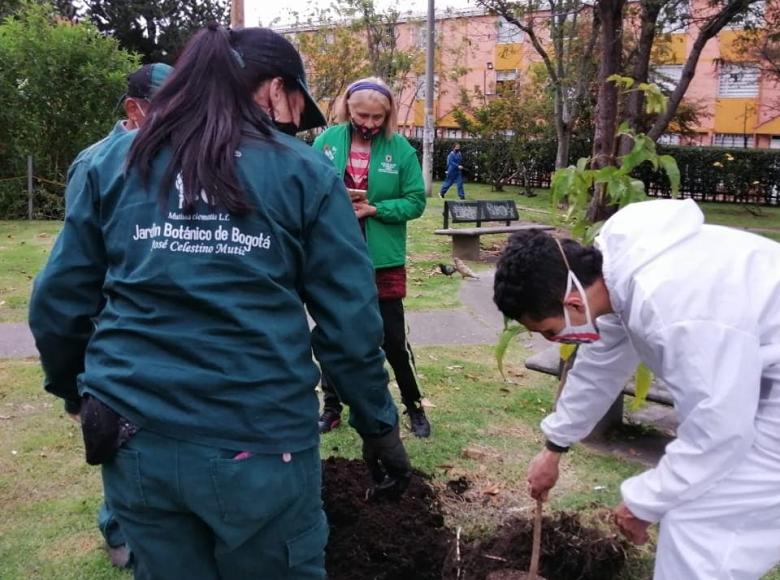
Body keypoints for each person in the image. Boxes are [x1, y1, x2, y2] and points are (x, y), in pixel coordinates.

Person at [29, 25, 411, 580]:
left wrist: (74, 391)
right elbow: (349, 325)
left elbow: (58, 302)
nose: (291, 128)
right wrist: (379, 428)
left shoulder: (112, 163)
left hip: (134, 437)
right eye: (295, 109)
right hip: (259, 446)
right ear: (275, 90)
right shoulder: (306, 174)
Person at [493, 198, 780, 580]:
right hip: (765, 377)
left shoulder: (672, 307)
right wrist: (554, 446)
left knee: (701, 532)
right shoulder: (620, 269)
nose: (555, 338)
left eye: (549, 330)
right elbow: (601, 362)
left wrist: (643, 502)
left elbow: (719, 428)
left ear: (572, 301)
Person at [65, 61, 174, 570]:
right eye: (167, 107)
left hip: (158, 323)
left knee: (153, 433)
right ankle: (116, 526)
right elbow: (78, 262)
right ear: (135, 110)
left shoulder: (171, 156)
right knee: (116, 429)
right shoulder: (96, 163)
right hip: (112, 325)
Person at [312, 77, 431, 439]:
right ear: (347, 107)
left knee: (392, 338)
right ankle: (332, 407)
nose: (370, 124)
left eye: (378, 117)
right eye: (363, 115)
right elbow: (308, 190)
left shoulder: (401, 150)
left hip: (383, 260)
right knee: (334, 333)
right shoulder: (325, 143)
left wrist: (375, 209)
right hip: (336, 255)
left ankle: (413, 406)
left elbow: (416, 200)